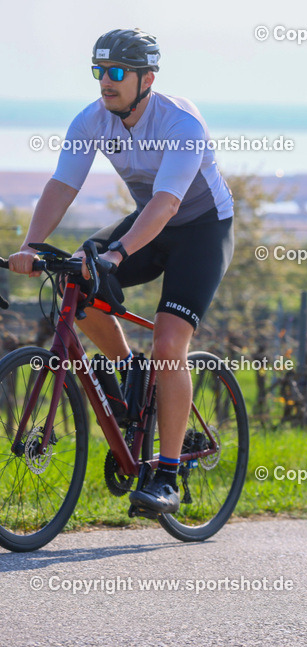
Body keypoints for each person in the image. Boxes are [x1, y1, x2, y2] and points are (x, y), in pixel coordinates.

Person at [7, 28, 234, 515]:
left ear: (146, 79)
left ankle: (168, 476)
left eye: (115, 73)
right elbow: (61, 185)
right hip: (148, 221)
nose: (104, 82)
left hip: (199, 229)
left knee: (170, 342)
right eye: (98, 71)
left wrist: (117, 253)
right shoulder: (91, 120)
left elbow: (169, 202)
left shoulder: (180, 122)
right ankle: (130, 371)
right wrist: (28, 245)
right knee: (75, 278)